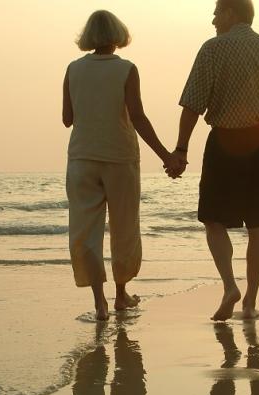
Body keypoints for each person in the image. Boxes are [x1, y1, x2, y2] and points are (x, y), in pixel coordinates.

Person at [168, 0, 259, 320]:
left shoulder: (213, 49)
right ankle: (250, 301)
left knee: (213, 220)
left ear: (231, 13)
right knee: (258, 227)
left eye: (216, 12)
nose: (213, 19)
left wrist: (181, 150)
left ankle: (230, 286)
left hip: (225, 142)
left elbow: (192, 104)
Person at [63, 10, 181, 321]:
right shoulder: (126, 69)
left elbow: (67, 118)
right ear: (118, 34)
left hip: (82, 158)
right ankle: (120, 296)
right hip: (120, 157)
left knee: (85, 231)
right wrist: (167, 156)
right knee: (124, 228)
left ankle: (99, 302)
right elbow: (138, 117)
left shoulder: (73, 69)